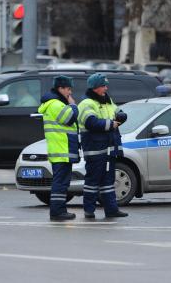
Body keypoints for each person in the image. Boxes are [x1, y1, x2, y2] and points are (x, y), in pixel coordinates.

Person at [78, 73, 128, 219]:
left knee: (108, 181)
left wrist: (121, 117)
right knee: (92, 181)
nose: (106, 88)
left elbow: (120, 113)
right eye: (103, 86)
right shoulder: (86, 103)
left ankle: (111, 209)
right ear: (95, 87)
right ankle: (89, 210)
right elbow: (91, 122)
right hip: (95, 150)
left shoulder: (107, 101)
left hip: (108, 149)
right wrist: (111, 124)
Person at [38, 75, 79, 221]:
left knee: (62, 182)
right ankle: (57, 212)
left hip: (62, 150)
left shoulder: (56, 103)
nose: (70, 93)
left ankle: (60, 210)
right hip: (62, 150)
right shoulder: (56, 104)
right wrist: (73, 105)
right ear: (60, 88)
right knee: (60, 183)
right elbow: (69, 118)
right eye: (68, 89)